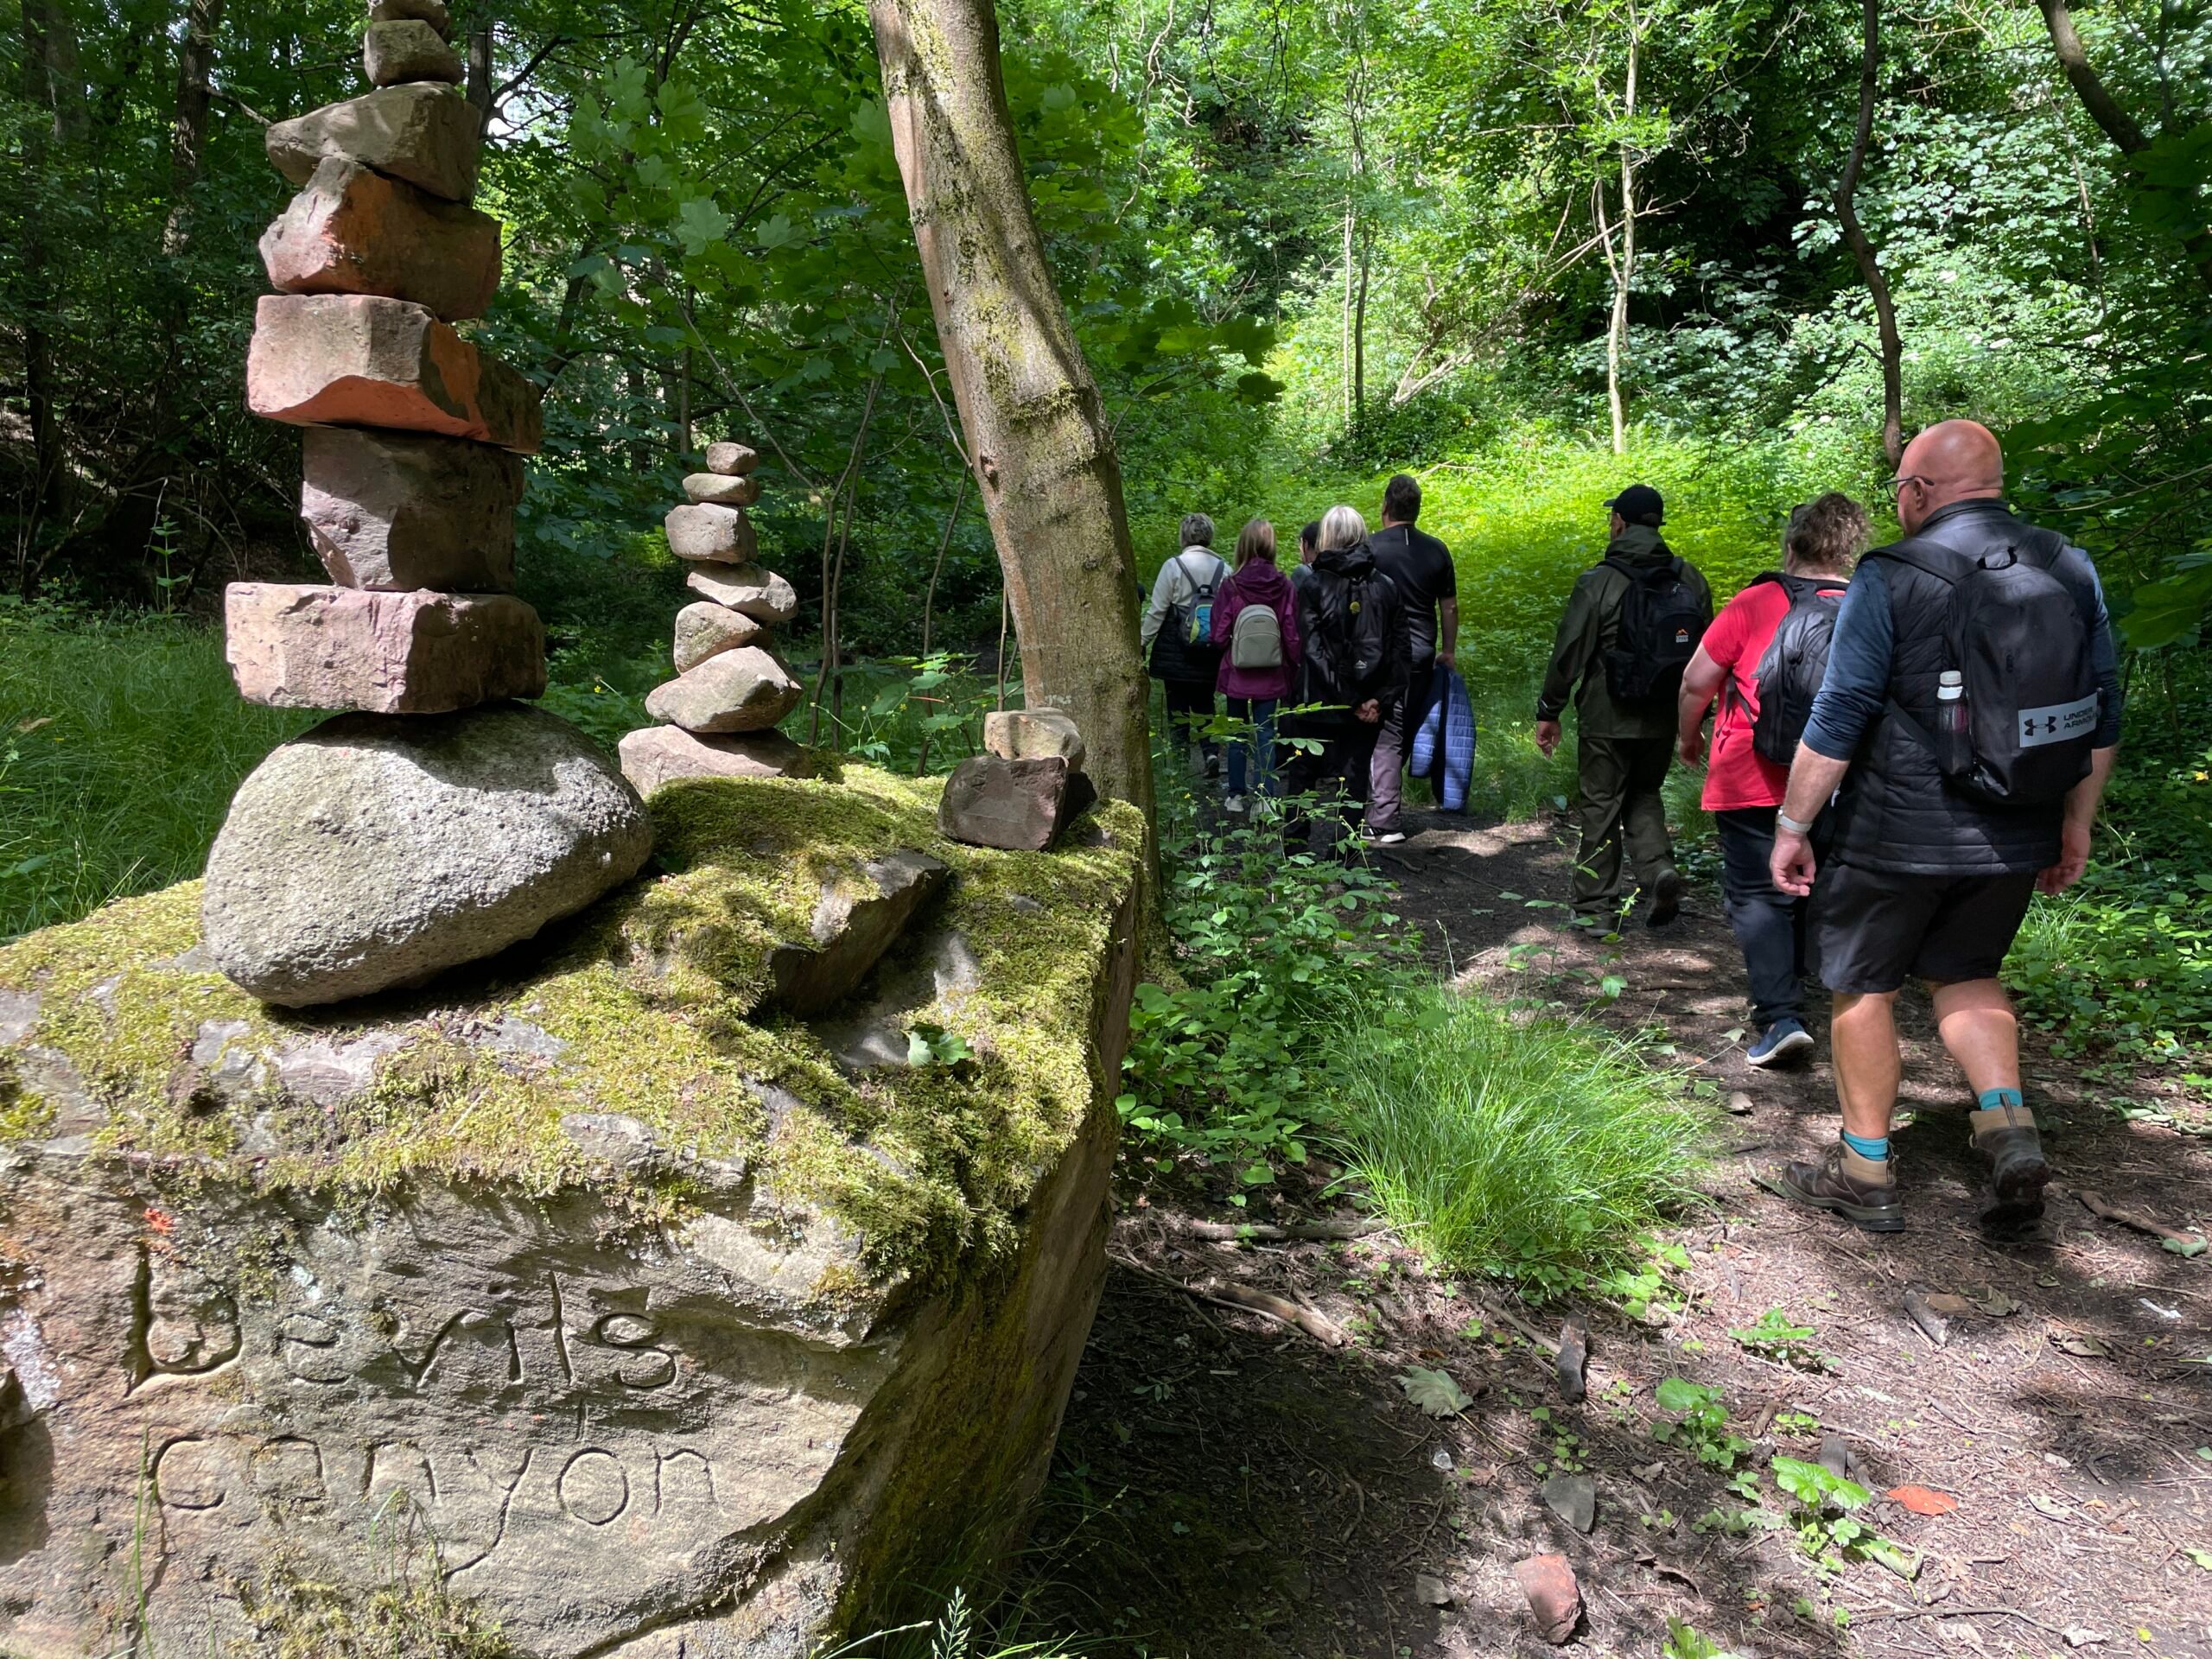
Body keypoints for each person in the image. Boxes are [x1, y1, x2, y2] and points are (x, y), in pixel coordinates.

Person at [1768, 419, 2123, 1234]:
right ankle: (2007, 1127)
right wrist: (2076, 824)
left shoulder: (1891, 572)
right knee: (1968, 973)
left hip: (1896, 832)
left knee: (1864, 985)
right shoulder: (2067, 565)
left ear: (1920, 490)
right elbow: (2102, 709)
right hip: (2016, 824)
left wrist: (1794, 823)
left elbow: (1845, 706)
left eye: (1899, 488)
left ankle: (1863, 1171)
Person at [1677, 494, 1866, 1068]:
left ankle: (1780, 1016)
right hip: (1839, 779)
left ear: (1792, 544)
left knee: (1759, 893)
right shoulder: (1867, 607)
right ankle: (1814, 990)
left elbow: (1695, 683)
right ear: (1852, 548)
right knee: (1819, 883)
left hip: (1751, 775)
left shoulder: (1756, 602)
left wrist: (1688, 739)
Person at [1535, 484, 1713, 925]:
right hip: (1663, 715)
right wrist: (1698, 716)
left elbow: (1570, 650)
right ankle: (1659, 871)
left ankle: (1595, 910)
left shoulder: (1599, 581)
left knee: (1602, 804)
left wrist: (1549, 709)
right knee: (1645, 794)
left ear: (1620, 522)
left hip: (1607, 714)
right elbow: (1707, 654)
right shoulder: (1688, 578)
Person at [1281, 505, 1407, 858]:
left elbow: (1313, 651)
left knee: (1302, 778)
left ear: (1324, 539)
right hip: (1364, 706)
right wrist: (1376, 700)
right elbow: (1401, 655)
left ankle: (1295, 857)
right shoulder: (1387, 587)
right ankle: (1346, 859)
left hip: (1317, 702)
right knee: (1352, 784)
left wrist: (1356, 699)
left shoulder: (1312, 585)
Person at [1365, 474, 1459, 844]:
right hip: (1421, 654)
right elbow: (1448, 607)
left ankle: (1384, 819)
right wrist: (1448, 650)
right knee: (1401, 731)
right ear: (1417, 509)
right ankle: (1380, 804)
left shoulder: (1370, 548)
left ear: (1385, 506)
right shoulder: (1436, 550)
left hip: (1381, 654)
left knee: (1387, 733)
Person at [1211, 518, 1301, 813]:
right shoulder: (1284, 585)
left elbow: (1218, 634)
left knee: (1237, 734)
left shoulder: (1232, 585)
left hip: (1237, 672)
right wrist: (1295, 665)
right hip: (1272, 674)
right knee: (1265, 733)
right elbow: (1290, 631)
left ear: (1243, 546)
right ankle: (1265, 798)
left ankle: (1236, 796)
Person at [1141, 513, 1230, 779]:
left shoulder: (1173, 566)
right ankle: (1211, 753)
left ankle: (1178, 765)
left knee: (1177, 708)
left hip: (1175, 651)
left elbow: (1157, 611)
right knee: (1205, 703)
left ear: (1183, 536)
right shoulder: (1223, 569)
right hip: (1209, 650)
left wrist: (1142, 641)